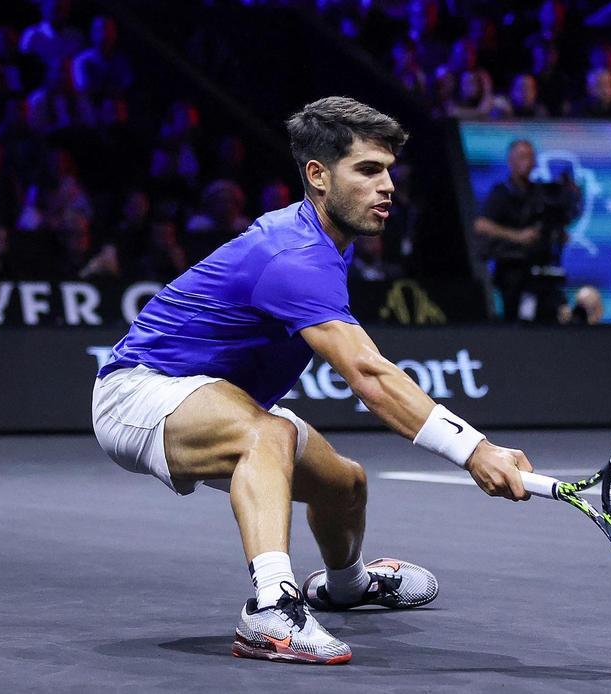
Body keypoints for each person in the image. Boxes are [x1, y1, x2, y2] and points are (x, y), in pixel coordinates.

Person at [91, 97, 534, 665]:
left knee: (344, 486)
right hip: (139, 390)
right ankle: (270, 611)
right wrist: (476, 451)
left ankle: (346, 586)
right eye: (369, 170)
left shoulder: (324, 243)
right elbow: (370, 376)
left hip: (218, 397)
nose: (388, 186)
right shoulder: (293, 256)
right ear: (318, 176)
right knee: (267, 435)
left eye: (390, 171)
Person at [473, 139, 580, 322]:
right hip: (513, 271)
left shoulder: (540, 192)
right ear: (511, 161)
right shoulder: (502, 192)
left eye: (531, 157)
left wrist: (556, 234)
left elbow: (556, 218)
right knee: (522, 318)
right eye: (522, 157)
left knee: (553, 315)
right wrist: (518, 236)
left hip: (542, 269)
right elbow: (481, 224)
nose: (527, 162)